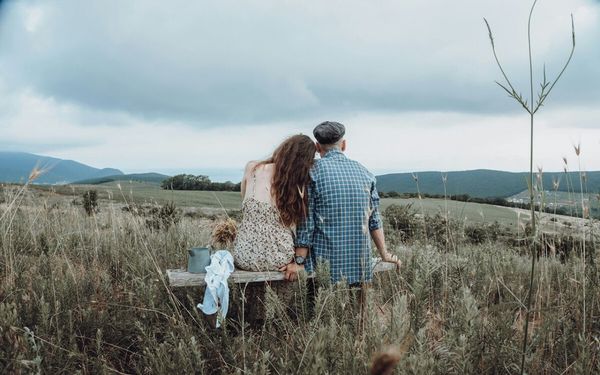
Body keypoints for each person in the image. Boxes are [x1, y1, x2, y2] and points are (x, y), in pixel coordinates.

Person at [281, 121, 402, 284]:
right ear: (344, 145)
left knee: (318, 309)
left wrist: (299, 261)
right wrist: (384, 254)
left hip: (324, 271)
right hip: (359, 267)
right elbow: (374, 220)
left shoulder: (311, 173)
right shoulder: (365, 173)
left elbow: (306, 225)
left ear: (317, 147)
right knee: (357, 309)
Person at [233, 134, 316, 272]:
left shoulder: (252, 168)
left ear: (283, 149)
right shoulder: (296, 184)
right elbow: (303, 224)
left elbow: (245, 201)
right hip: (279, 258)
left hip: (244, 256)